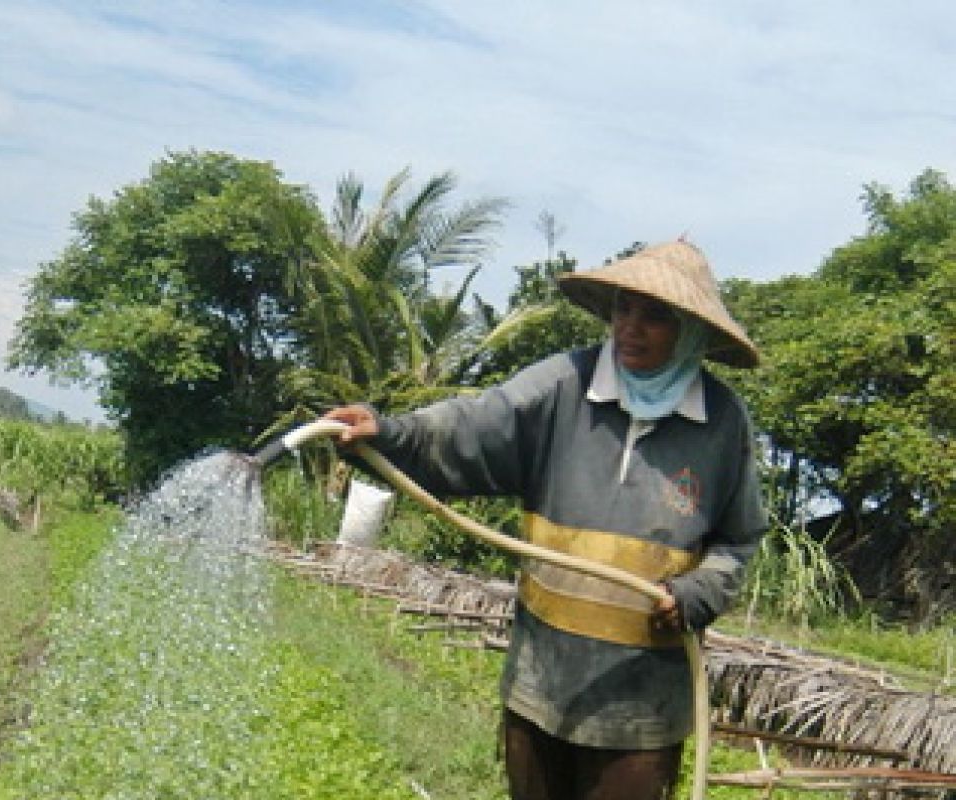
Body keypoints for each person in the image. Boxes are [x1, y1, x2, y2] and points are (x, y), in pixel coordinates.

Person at [325, 240, 768, 800]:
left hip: (643, 694)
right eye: (623, 307)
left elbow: (738, 539)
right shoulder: (564, 384)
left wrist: (697, 593)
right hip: (543, 674)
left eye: (656, 315)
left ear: (691, 333)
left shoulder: (722, 423)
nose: (631, 326)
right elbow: (472, 427)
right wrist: (389, 434)